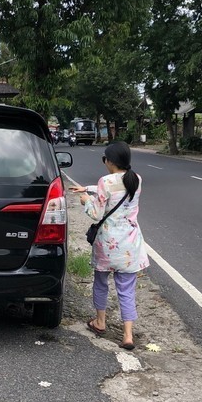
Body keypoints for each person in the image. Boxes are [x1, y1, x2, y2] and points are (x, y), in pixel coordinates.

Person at [70, 141, 149, 350]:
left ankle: (100, 322)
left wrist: (85, 199)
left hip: (108, 244)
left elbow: (96, 212)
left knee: (101, 282)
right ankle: (128, 335)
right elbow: (116, 188)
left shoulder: (105, 181)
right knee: (126, 289)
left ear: (111, 161)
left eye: (104, 158)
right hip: (130, 244)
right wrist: (88, 188)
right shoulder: (136, 179)